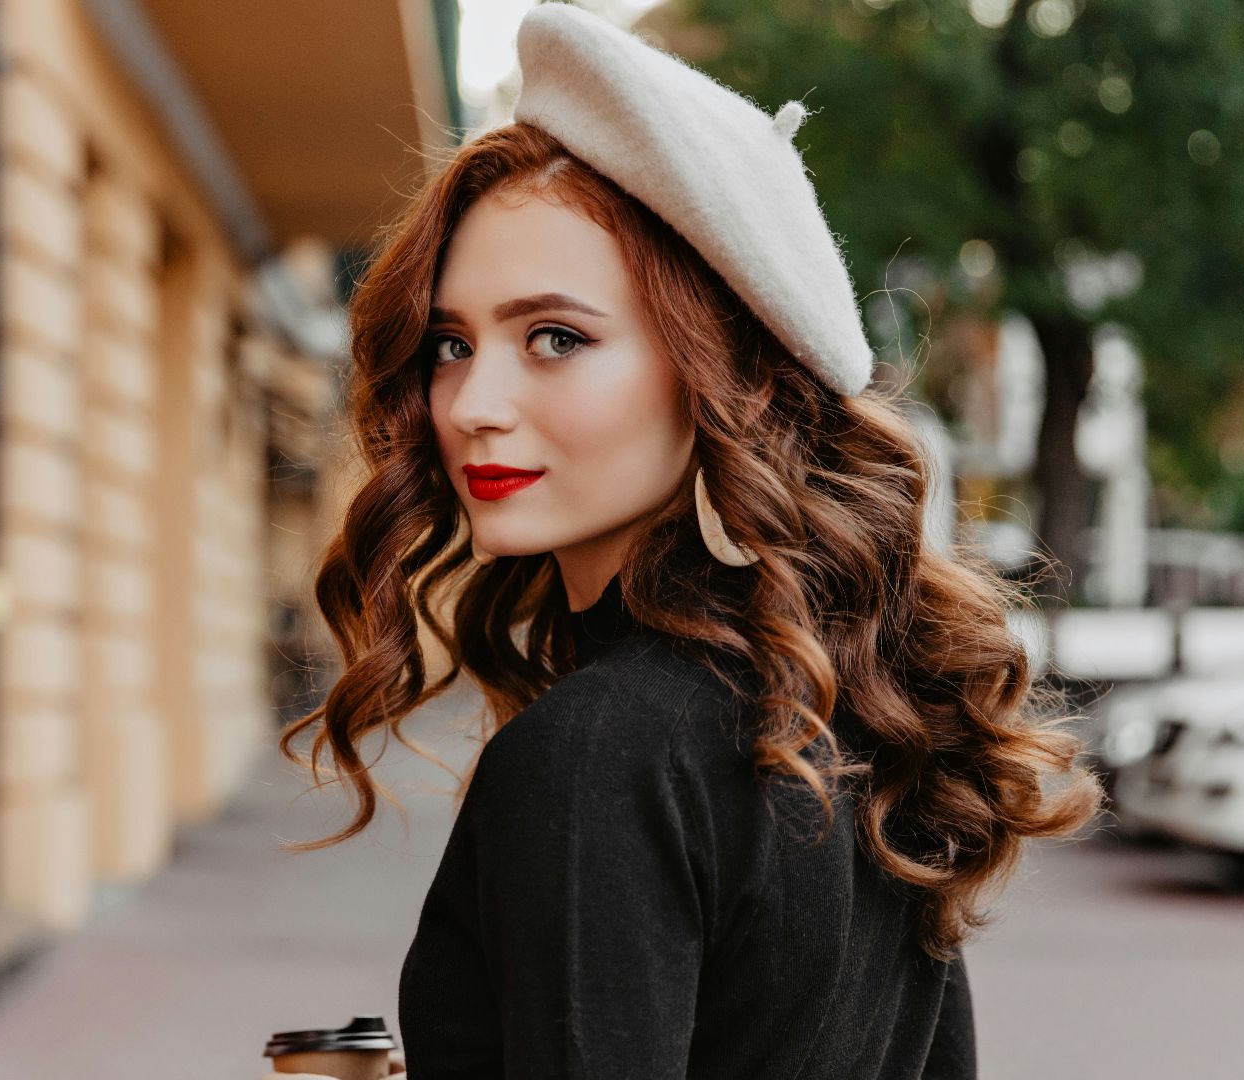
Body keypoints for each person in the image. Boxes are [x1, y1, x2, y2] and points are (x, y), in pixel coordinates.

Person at [270, 5, 1102, 1078]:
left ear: (719, 374)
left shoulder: (595, 753)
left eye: (556, 338)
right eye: (450, 342)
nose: (474, 401)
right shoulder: (852, 715)